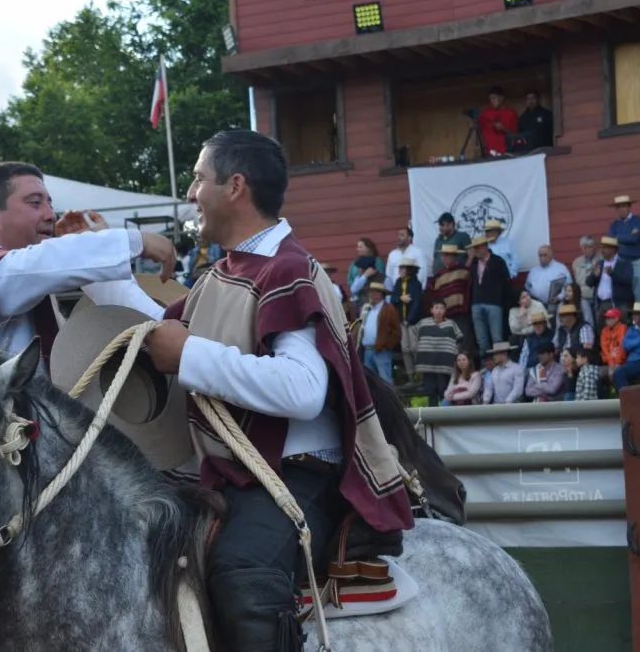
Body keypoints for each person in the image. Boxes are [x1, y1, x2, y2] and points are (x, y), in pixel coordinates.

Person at [82, 129, 413, 651]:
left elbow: (304, 390)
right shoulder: (230, 270)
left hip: (296, 476)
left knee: (242, 575)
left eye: (198, 179)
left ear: (234, 186)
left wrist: (189, 355)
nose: (192, 193)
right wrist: (92, 257)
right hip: (235, 475)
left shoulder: (288, 270)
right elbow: (158, 327)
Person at [0, 161, 177, 370]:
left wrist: (91, 245)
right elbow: (34, 265)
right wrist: (132, 240)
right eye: (35, 202)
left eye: (49, 203)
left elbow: (144, 317)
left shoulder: (16, 273)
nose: (51, 214)